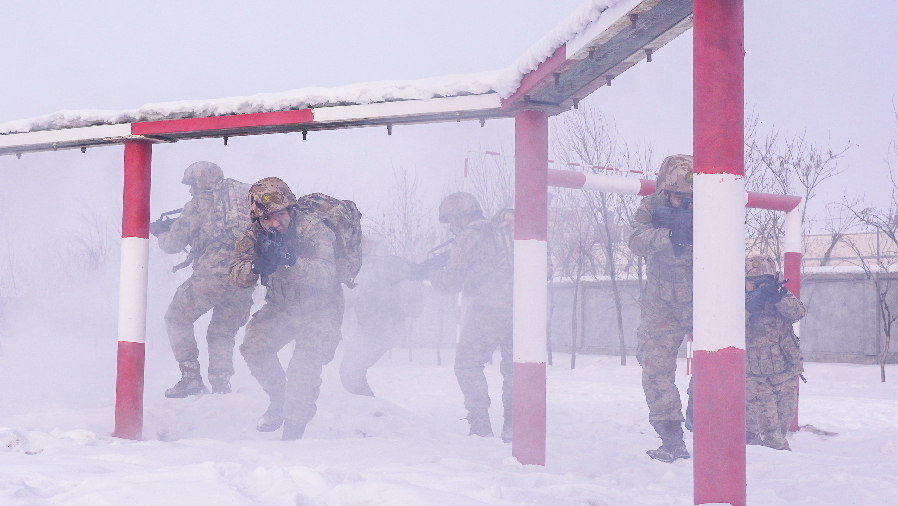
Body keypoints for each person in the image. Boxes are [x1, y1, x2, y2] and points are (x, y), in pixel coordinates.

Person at [229, 177, 344, 440]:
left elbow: (327, 275)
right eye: (267, 218)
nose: (275, 223)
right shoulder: (253, 235)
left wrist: (292, 262)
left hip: (321, 310)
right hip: (281, 307)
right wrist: (255, 268)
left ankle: (293, 434)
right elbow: (234, 274)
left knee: (302, 369)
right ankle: (280, 400)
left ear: (291, 210)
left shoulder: (314, 230)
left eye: (279, 215)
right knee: (253, 346)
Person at [151, 161, 254, 398]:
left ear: (202, 181)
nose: (190, 191)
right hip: (245, 274)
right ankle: (221, 385)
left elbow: (172, 245)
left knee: (176, 318)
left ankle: (190, 379)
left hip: (214, 274)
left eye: (192, 185)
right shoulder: (242, 202)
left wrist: (160, 233)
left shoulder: (200, 204)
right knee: (222, 332)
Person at [421, 192, 514, 442]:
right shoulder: (501, 231)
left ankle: (480, 428)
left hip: (488, 310)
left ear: (462, 217)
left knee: (467, 365)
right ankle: (514, 427)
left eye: (451, 221)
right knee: (514, 368)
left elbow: (452, 282)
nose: (450, 228)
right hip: (521, 309)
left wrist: (431, 273)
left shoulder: (470, 235)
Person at [628, 154, 694, 463]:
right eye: (679, 196)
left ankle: (701, 412)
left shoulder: (711, 208)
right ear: (666, 191)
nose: (684, 202)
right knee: (654, 367)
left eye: (690, 196)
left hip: (702, 296)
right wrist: (668, 236)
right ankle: (670, 437)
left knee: (718, 364)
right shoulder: (652, 207)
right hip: (660, 299)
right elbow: (634, 237)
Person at [744, 255, 806, 450]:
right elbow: (726, 328)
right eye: (752, 283)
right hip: (755, 377)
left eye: (762, 282)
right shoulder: (736, 301)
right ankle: (782, 466)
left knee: (781, 425)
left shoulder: (778, 295)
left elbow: (798, 313)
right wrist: (749, 307)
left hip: (785, 372)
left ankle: (758, 458)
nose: (757, 287)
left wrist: (778, 296)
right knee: (772, 435)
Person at [339, 252, 423, 396]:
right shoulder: (384, 263)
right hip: (378, 329)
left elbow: (346, 299)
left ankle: (373, 411)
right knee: (351, 373)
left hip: (377, 330)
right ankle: (370, 409)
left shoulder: (368, 267)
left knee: (350, 372)